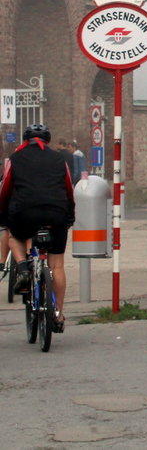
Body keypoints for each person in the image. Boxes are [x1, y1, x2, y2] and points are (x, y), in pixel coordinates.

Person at [0, 125, 74, 332]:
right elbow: (68, 188)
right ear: (47, 140)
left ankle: (23, 267)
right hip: (57, 213)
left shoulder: (15, 159)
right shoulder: (59, 159)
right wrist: (70, 214)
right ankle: (58, 314)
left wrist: (3, 214)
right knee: (57, 265)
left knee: (14, 235)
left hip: (25, 213)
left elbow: (5, 188)